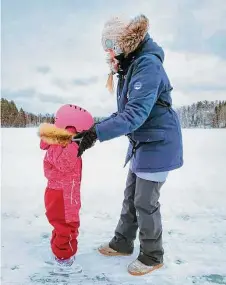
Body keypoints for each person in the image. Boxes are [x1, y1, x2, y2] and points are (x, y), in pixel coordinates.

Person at [74, 14, 183, 276]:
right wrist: (91, 130)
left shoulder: (147, 65)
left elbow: (134, 114)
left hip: (159, 142)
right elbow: (125, 112)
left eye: (110, 47)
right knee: (131, 197)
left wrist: (95, 134)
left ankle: (152, 255)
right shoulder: (130, 65)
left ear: (123, 42)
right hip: (143, 143)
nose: (109, 53)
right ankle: (122, 243)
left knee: (145, 201)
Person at [39, 104, 94, 270]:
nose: (80, 136)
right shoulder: (58, 144)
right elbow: (64, 164)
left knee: (64, 223)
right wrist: (76, 146)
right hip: (61, 193)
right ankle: (63, 257)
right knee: (66, 225)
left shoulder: (63, 141)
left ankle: (59, 250)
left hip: (66, 191)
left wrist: (76, 144)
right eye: (79, 133)